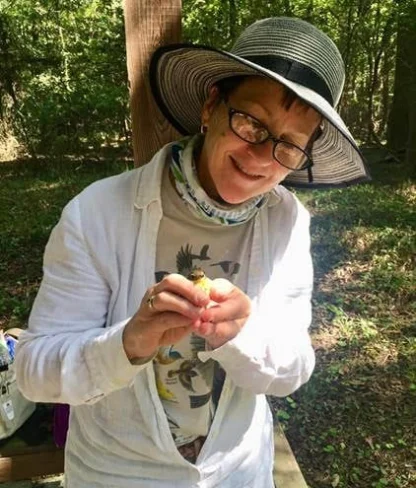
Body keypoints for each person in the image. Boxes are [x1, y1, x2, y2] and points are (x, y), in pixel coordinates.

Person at [15, 16, 369, 488]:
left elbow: (293, 368)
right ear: (211, 105)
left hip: (239, 472)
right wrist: (128, 343)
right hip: (114, 474)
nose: (262, 158)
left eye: (288, 146)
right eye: (251, 123)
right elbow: (34, 371)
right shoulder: (97, 213)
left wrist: (242, 334)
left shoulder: (288, 222)